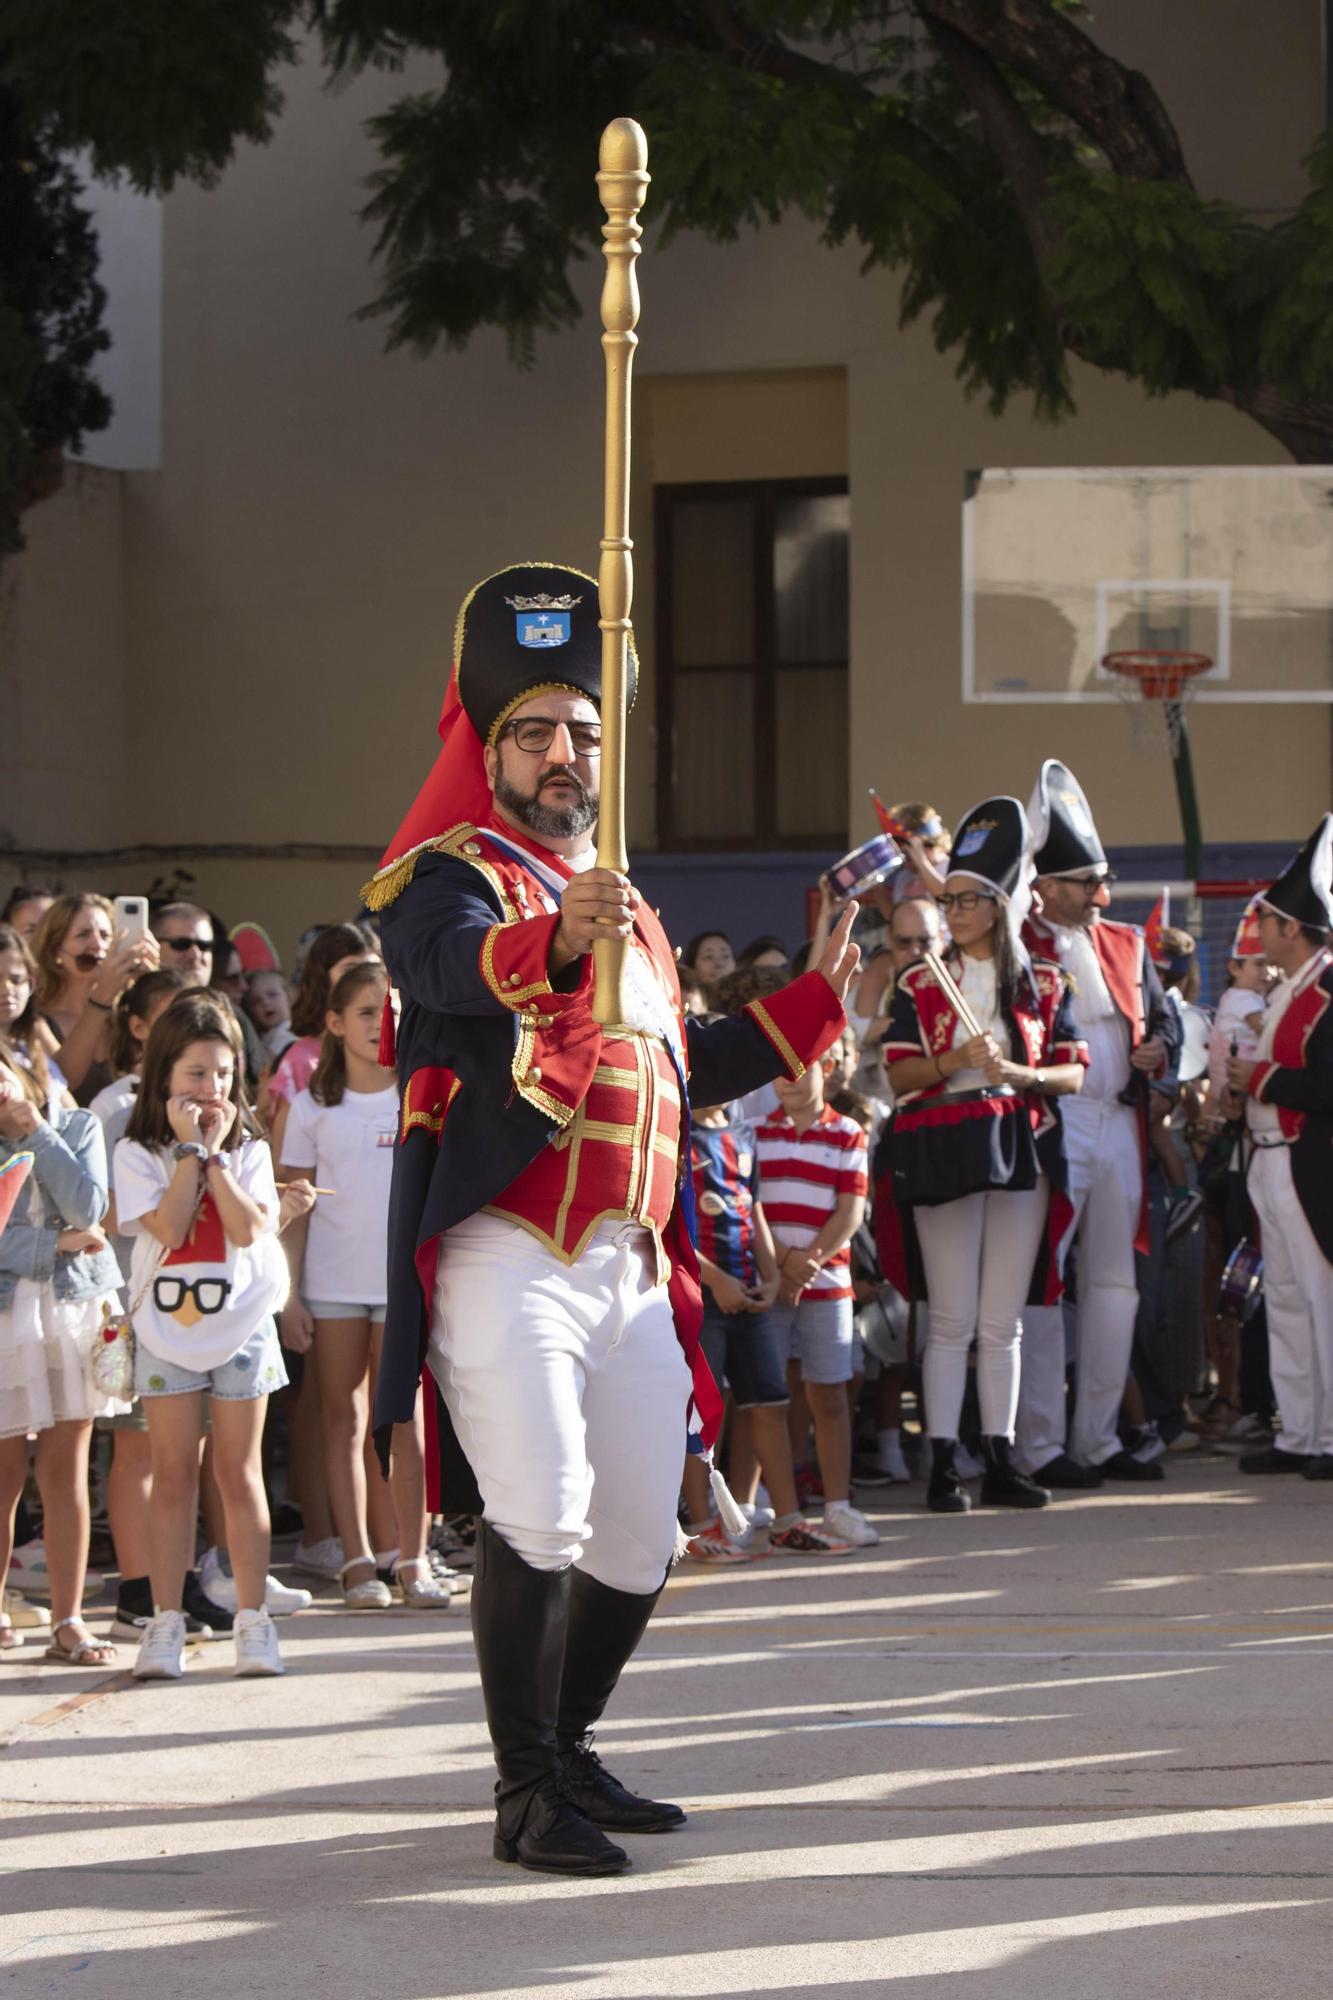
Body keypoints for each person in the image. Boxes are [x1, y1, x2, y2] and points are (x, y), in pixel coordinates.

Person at [364, 563, 857, 1878]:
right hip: (507, 1249)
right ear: (491, 747)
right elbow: (436, 971)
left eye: (582, 729)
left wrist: (814, 1002)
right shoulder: (445, 875)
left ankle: (568, 1745)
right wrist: (547, 944)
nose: (563, 751)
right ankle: (523, 1796)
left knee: (642, 1529)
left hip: (636, 1261)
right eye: (533, 731)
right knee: (543, 1505)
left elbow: (677, 1058)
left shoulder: (629, 902)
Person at [883, 798, 1087, 1512]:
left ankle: (1000, 1459)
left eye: (969, 899)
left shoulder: (1045, 982)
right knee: (950, 1317)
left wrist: (1021, 1075)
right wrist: (951, 1060)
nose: (956, 909)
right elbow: (898, 1074)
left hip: (1018, 1141)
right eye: (951, 898)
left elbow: (1073, 1071)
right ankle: (943, 1462)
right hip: (942, 1141)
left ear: (999, 906)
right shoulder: (917, 982)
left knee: (1003, 1319)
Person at [114, 994, 291, 1679]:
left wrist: (216, 1156)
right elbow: (163, 1223)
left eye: (221, 1074)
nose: (209, 1089)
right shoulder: (136, 1151)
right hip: (167, 1329)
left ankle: (253, 1619)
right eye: (194, 1074)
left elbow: (249, 1229)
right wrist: (190, 1154)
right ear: (164, 1076)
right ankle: (165, 1620)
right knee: (173, 1475)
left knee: (239, 1473)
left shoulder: (248, 1150)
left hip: (242, 1325)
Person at [1013, 762, 1180, 1484]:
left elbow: (1165, 1020)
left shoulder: (1125, 943)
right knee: (1045, 1283)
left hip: (1119, 1123)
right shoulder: (1017, 940)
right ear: (1043, 885)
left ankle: (1098, 1439)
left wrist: (1160, 1050)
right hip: (1056, 1123)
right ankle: (1039, 1445)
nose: (1100, 895)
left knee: (1117, 1285)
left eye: (1100, 878)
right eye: (1085, 881)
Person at [279, 961, 452, 1609]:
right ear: (332, 1023)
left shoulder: (426, 1095)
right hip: (331, 1288)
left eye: (393, 1010)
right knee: (341, 1419)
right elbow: (289, 1214)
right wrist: (288, 1294)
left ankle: (411, 1559)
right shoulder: (310, 1107)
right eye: (365, 1012)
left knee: (404, 1420)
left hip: (405, 1289)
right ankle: (355, 1562)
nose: (383, 1023)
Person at [684, 1079, 853, 1559]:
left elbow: (751, 1209)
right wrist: (715, 1280)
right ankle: (700, 1526)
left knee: (770, 1404)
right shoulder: (675, 1137)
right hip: (704, 1294)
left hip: (752, 1292)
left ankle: (787, 1521)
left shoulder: (742, 1135)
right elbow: (667, 1225)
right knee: (698, 1416)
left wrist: (771, 1276)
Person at [0, 1023, 124, 1664]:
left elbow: (88, 1208)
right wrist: (52, 1245)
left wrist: (35, 1134)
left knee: (65, 1472)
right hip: (6, 1316)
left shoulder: (75, 1126)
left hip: (71, 1309)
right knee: (2, 1476)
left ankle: (69, 1619)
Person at [1221, 817, 1333, 1477]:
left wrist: (1257, 1077)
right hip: (1267, 1157)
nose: (1258, 930)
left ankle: (1329, 1436)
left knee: (1320, 1300)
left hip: (1304, 1159)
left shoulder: (1325, 989)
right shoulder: (1286, 989)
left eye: (1266, 920)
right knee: (1286, 1301)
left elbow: (1326, 1083)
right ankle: (1297, 1432)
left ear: (1292, 929)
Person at [755, 1049, 876, 1545]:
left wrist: (807, 1262)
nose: (785, 1079)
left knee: (829, 1396)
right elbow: (752, 1203)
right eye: (778, 1069)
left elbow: (851, 1211)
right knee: (766, 1399)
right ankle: (762, 1505)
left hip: (827, 1285)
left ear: (826, 1070)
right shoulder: (757, 1132)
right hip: (769, 1282)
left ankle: (837, 1506)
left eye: (798, 1068)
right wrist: (784, 1261)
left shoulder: (849, 1132)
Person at [32, 894, 160, 1101]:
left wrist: (150, 985)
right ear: (55, 950)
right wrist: (102, 996)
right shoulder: (36, 1020)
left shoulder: (128, 1012)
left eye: (106, 935)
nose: (98, 945)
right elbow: (64, 1081)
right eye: (83, 935)